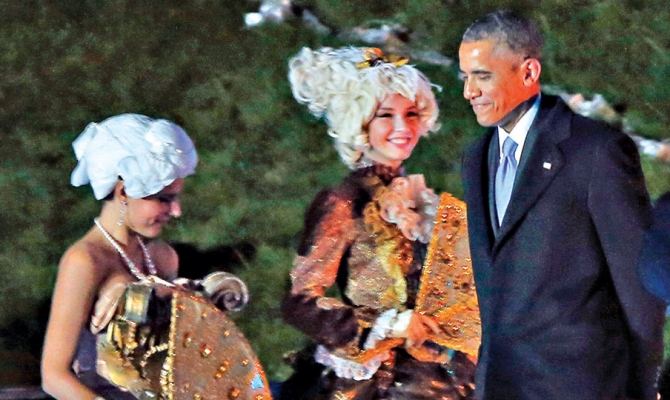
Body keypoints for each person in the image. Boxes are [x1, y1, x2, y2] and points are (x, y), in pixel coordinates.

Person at [458, 10, 665, 400]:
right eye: (464, 77)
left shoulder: (596, 151)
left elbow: (638, 287)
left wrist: (642, 386)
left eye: (482, 76)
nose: (469, 91)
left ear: (528, 72)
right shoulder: (475, 158)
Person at [281, 46, 479, 400]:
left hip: (442, 373)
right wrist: (389, 324)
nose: (403, 127)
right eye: (386, 115)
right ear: (360, 124)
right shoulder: (342, 202)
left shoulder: (421, 199)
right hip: (378, 381)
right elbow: (300, 302)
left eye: (411, 113)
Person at [40, 114, 266, 399]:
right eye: (165, 199)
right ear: (124, 191)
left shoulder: (163, 256)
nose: (176, 212)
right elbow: (54, 377)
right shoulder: (85, 261)